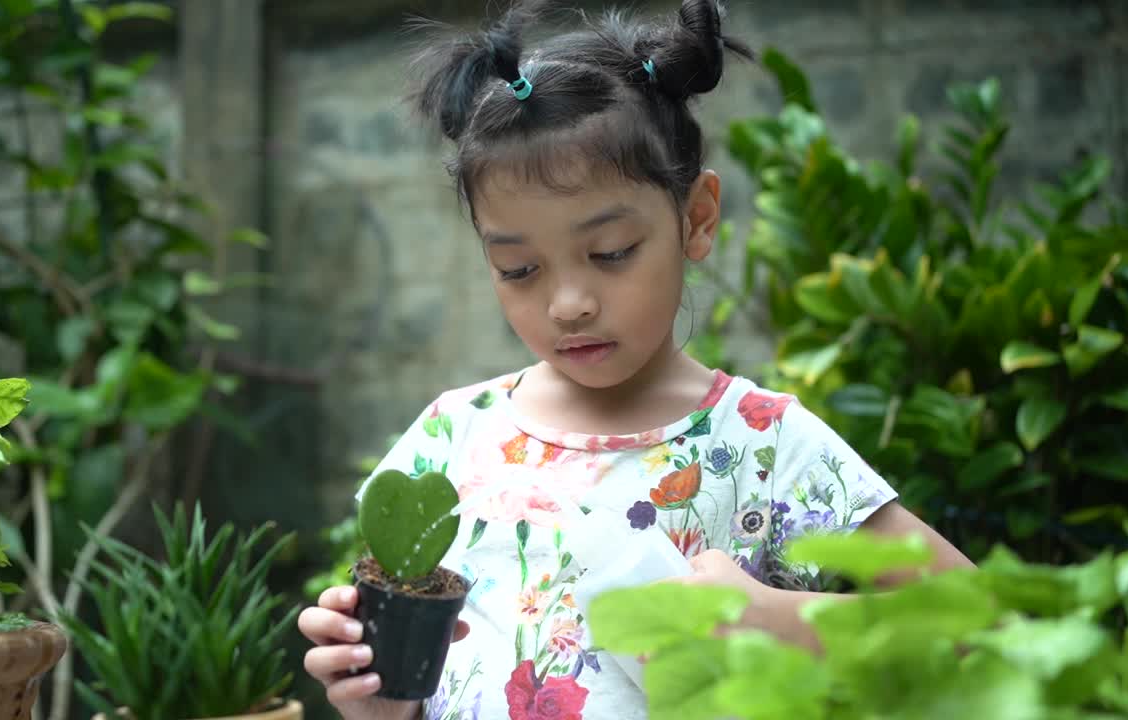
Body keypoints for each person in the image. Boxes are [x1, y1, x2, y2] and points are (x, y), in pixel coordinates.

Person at [298, 1, 975, 718]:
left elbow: (983, 626)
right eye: (519, 269)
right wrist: (373, 697)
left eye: (611, 253)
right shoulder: (449, 437)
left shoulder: (765, 444)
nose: (568, 303)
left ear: (697, 218)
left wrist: (785, 623)